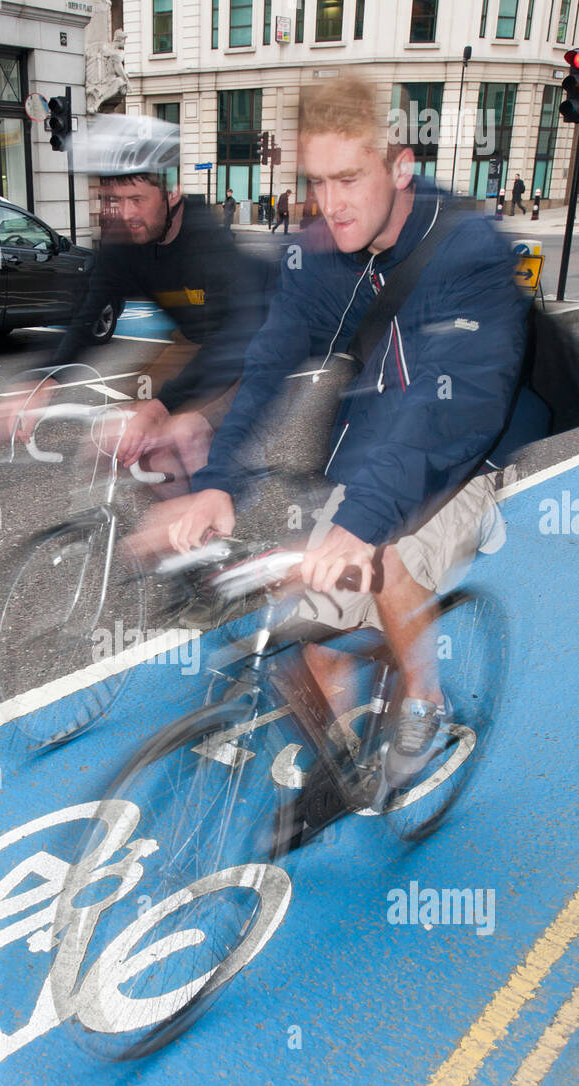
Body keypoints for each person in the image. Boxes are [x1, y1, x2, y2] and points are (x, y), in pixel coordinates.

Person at [135, 78, 547, 784]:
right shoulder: (322, 253)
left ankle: (426, 699)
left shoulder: (468, 248)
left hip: (459, 458)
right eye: (317, 181)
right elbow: (267, 365)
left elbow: (451, 406)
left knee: (381, 559)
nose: (332, 203)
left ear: (399, 164)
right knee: (310, 634)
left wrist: (358, 523)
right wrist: (216, 484)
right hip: (372, 454)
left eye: (350, 177)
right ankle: (339, 776)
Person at [0, 119, 269, 488]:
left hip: (252, 342)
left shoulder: (207, 244)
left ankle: (218, 520)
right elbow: (86, 315)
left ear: (171, 193)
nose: (125, 214)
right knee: (129, 442)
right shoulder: (122, 242)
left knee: (180, 433)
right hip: (194, 342)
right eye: (113, 200)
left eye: (137, 200)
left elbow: (232, 342)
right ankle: (185, 537)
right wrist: (39, 383)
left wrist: (161, 410)